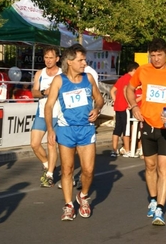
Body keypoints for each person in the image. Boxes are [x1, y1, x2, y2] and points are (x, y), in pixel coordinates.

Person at [126, 38, 166, 226]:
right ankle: (152, 199)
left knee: (163, 168)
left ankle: (160, 207)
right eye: (153, 55)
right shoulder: (143, 70)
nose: (156, 59)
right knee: (150, 166)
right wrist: (134, 106)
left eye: (160, 55)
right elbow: (130, 88)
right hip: (148, 125)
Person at [45, 43, 104, 221]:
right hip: (66, 129)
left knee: (88, 170)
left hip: (86, 129)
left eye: (84, 59)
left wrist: (97, 109)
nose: (84, 63)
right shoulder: (59, 80)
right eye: (81, 60)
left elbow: (99, 99)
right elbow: (48, 106)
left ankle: (83, 196)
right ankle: (69, 205)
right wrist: (50, 129)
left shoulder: (89, 78)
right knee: (67, 169)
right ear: (69, 61)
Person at [30, 46, 62, 187]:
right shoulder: (40, 73)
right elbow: (34, 92)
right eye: (46, 57)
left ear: (57, 59)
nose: (48, 60)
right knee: (35, 144)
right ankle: (48, 164)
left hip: (56, 113)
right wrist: (45, 92)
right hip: (42, 113)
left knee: (51, 144)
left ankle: (49, 175)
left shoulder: (62, 74)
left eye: (51, 57)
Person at [110, 62, 139, 158]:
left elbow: (112, 91)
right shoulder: (130, 79)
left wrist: (116, 101)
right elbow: (125, 89)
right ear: (134, 70)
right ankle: (127, 150)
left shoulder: (121, 78)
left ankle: (114, 150)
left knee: (117, 129)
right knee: (126, 129)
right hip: (125, 108)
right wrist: (129, 103)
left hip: (118, 107)